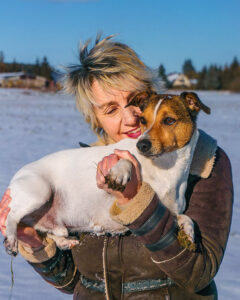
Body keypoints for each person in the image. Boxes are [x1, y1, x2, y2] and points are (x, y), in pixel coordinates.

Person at [0, 35, 233, 300]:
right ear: (95, 118)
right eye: (110, 109)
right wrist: (35, 241)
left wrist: (135, 202)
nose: (131, 117)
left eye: (135, 101)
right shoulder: (84, 170)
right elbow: (77, 281)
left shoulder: (205, 164)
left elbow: (197, 273)